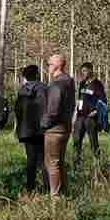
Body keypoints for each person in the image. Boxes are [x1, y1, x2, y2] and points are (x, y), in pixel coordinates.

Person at [41, 54, 76, 196]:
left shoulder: (56, 84)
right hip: (65, 128)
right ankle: (65, 192)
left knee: (52, 164)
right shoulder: (69, 81)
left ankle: (55, 197)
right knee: (60, 162)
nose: (48, 66)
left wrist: (44, 124)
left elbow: (53, 110)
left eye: (49, 64)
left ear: (57, 65)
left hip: (54, 130)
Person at [15, 65, 48, 194]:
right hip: (41, 129)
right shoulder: (44, 88)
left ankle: (30, 188)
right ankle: (47, 187)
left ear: (24, 76)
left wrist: (19, 127)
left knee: (30, 160)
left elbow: (17, 109)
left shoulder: (22, 90)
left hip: (26, 130)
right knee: (43, 160)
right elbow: (46, 108)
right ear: (37, 74)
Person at [73, 62, 105, 167]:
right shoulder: (82, 84)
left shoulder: (97, 84)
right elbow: (79, 100)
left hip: (91, 119)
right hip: (80, 117)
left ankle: (97, 165)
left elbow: (103, 102)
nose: (83, 73)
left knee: (93, 142)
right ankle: (76, 165)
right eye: (82, 71)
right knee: (77, 141)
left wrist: (95, 112)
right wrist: (75, 115)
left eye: (85, 71)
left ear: (91, 70)